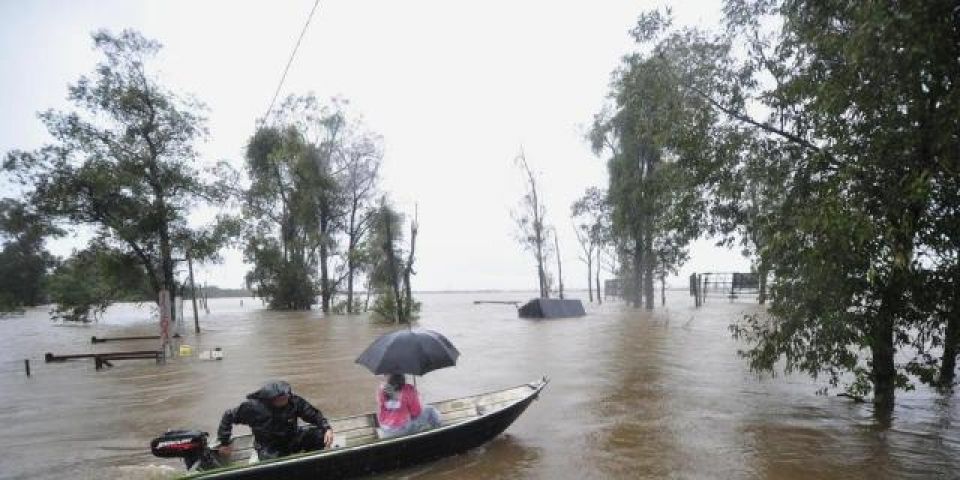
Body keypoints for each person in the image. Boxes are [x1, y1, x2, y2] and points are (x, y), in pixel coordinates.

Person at [217, 380, 334, 461]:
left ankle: (312, 461)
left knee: (320, 435)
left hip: (292, 438)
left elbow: (312, 414)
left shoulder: (293, 401)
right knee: (271, 462)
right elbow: (228, 416)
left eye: (287, 396)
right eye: (282, 398)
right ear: (270, 398)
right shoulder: (252, 408)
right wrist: (224, 442)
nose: (286, 399)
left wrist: (326, 428)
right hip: (269, 446)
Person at [377, 374, 441, 438]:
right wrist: (415, 396)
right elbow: (416, 413)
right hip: (402, 430)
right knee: (430, 410)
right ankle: (439, 433)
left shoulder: (382, 389)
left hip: (386, 430)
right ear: (403, 376)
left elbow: (382, 410)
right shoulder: (408, 389)